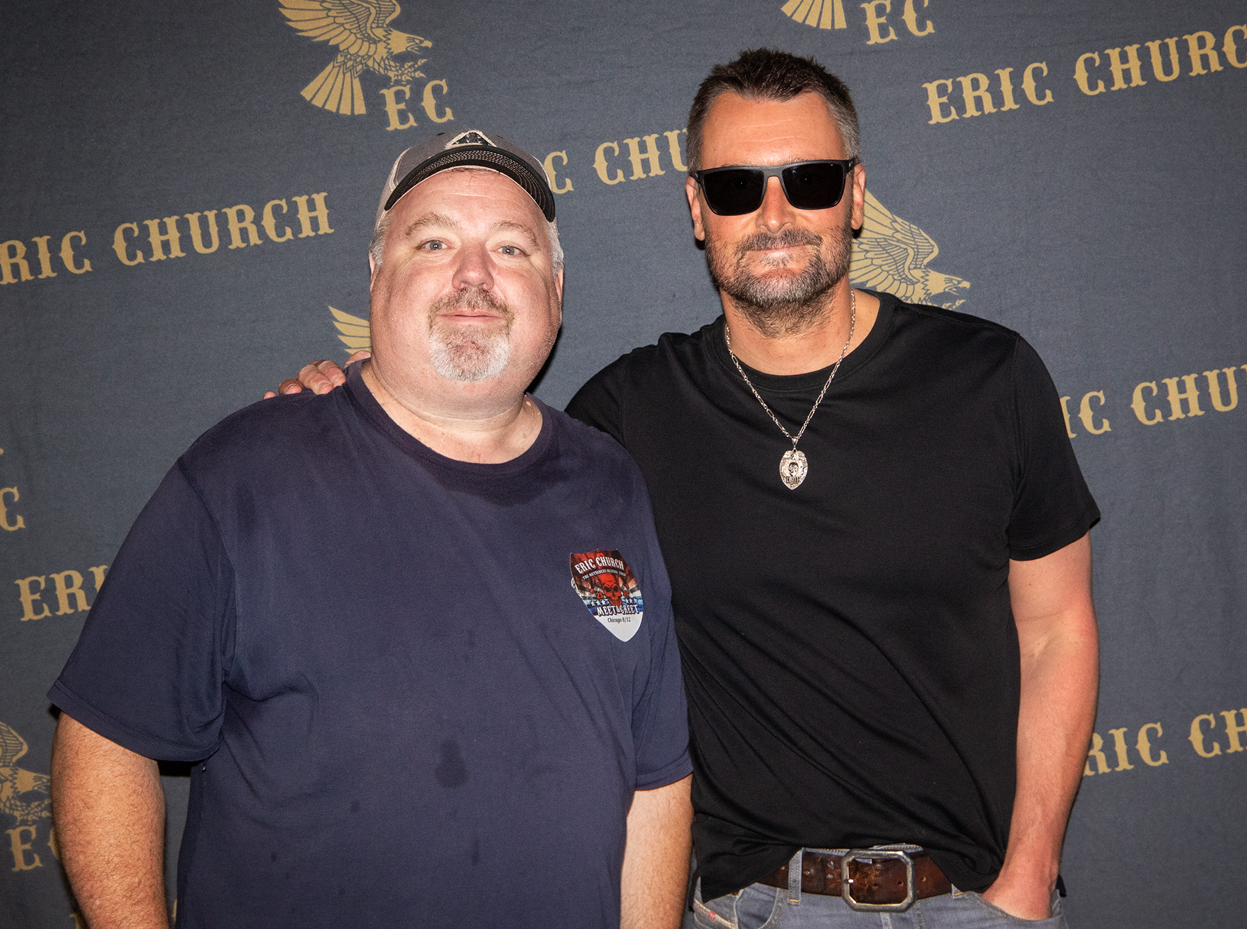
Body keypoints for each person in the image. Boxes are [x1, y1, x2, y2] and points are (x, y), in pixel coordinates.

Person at [287, 50, 1100, 928]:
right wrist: (365, 403)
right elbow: (472, 470)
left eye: (810, 180)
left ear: (856, 195)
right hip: (753, 906)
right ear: (697, 208)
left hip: (975, 901)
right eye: (737, 187)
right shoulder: (627, 417)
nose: (775, 214)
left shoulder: (987, 377)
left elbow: (1056, 628)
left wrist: (1029, 875)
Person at [49, 130, 693, 929]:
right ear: (376, 272)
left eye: (511, 248)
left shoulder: (610, 482)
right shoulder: (245, 472)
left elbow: (655, 780)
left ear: (555, 291)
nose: (474, 274)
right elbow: (104, 737)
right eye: (434, 242)